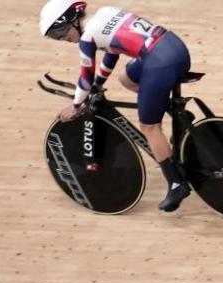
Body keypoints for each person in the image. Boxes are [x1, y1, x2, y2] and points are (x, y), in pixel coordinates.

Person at [39, 1, 193, 212]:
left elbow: (85, 76)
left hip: (159, 62)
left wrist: (76, 105)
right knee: (126, 78)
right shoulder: (105, 13)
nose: (63, 39)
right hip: (172, 46)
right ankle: (177, 113)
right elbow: (112, 53)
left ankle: (177, 184)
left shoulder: (87, 38)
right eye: (56, 37)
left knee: (149, 127)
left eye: (60, 32)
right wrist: (98, 85)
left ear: (72, 20)